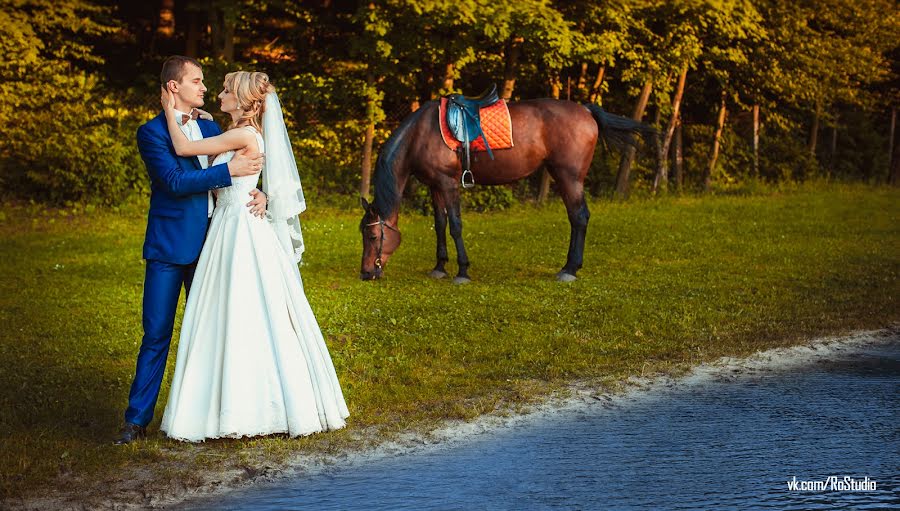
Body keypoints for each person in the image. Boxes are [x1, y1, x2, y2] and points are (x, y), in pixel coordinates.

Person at [157, 70, 349, 441]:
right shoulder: (238, 132)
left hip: (238, 230)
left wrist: (170, 110)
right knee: (235, 312)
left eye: (227, 90)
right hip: (231, 224)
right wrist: (261, 192)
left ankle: (251, 405)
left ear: (243, 100)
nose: (220, 93)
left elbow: (182, 149)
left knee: (242, 312)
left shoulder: (244, 133)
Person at [117, 56, 267, 445]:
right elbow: (173, 181)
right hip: (169, 248)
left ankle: (211, 415)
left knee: (215, 330)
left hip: (215, 246)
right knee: (156, 333)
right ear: (173, 87)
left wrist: (257, 190)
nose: (204, 88)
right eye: (197, 81)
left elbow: (234, 176)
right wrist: (229, 173)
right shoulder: (151, 133)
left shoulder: (211, 125)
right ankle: (136, 420)